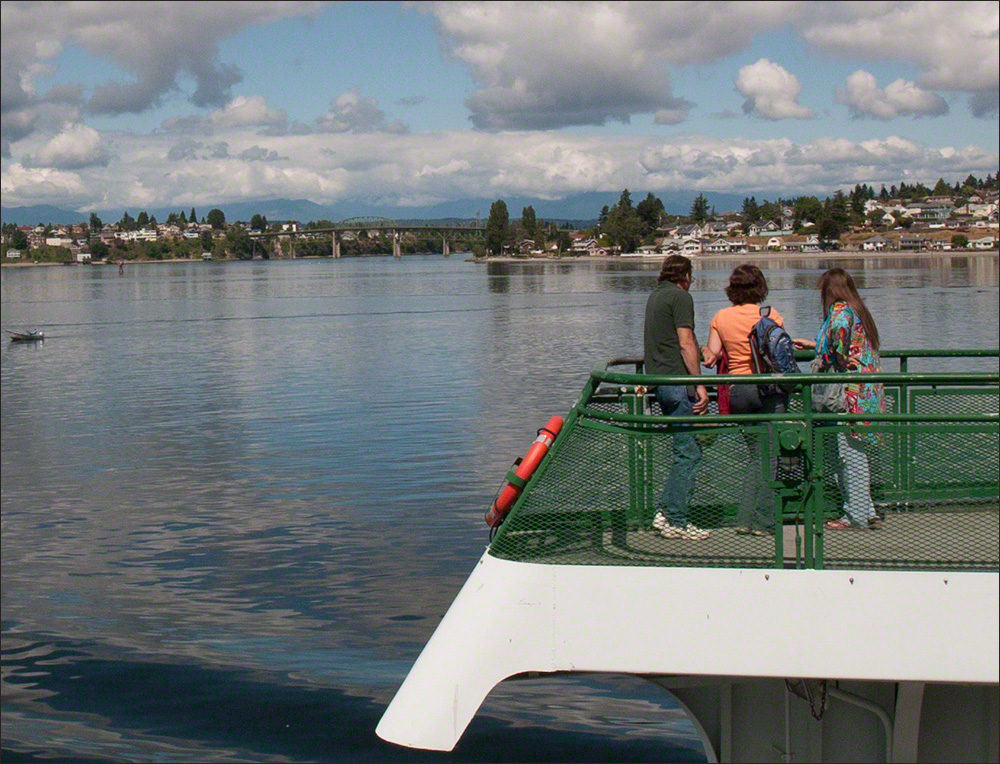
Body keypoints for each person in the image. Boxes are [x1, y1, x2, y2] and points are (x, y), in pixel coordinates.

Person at [794, 268, 886, 530]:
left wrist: (838, 358)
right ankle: (866, 511)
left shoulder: (840, 311)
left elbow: (839, 337)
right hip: (865, 394)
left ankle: (855, 515)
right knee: (855, 452)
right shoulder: (858, 310)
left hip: (848, 396)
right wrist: (815, 345)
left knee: (848, 455)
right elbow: (845, 339)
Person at [702, 264, 787, 536]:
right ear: (760, 286)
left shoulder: (720, 317)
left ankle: (743, 518)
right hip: (766, 389)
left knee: (756, 458)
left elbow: (712, 355)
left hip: (737, 391)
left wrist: (705, 348)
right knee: (770, 456)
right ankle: (762, 522)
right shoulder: (770, 314)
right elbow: (779, 353)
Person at [644, 254, 711, 540]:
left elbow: (674, 340)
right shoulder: (681, 298)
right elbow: (684, 343)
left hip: (658, 381)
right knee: (689, 452)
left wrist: (700, 348)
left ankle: (666, 513)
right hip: (677, 383)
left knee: (683, 451)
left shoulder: (655, 296)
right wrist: (700, 385)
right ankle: (676, 520)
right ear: (685, 276)